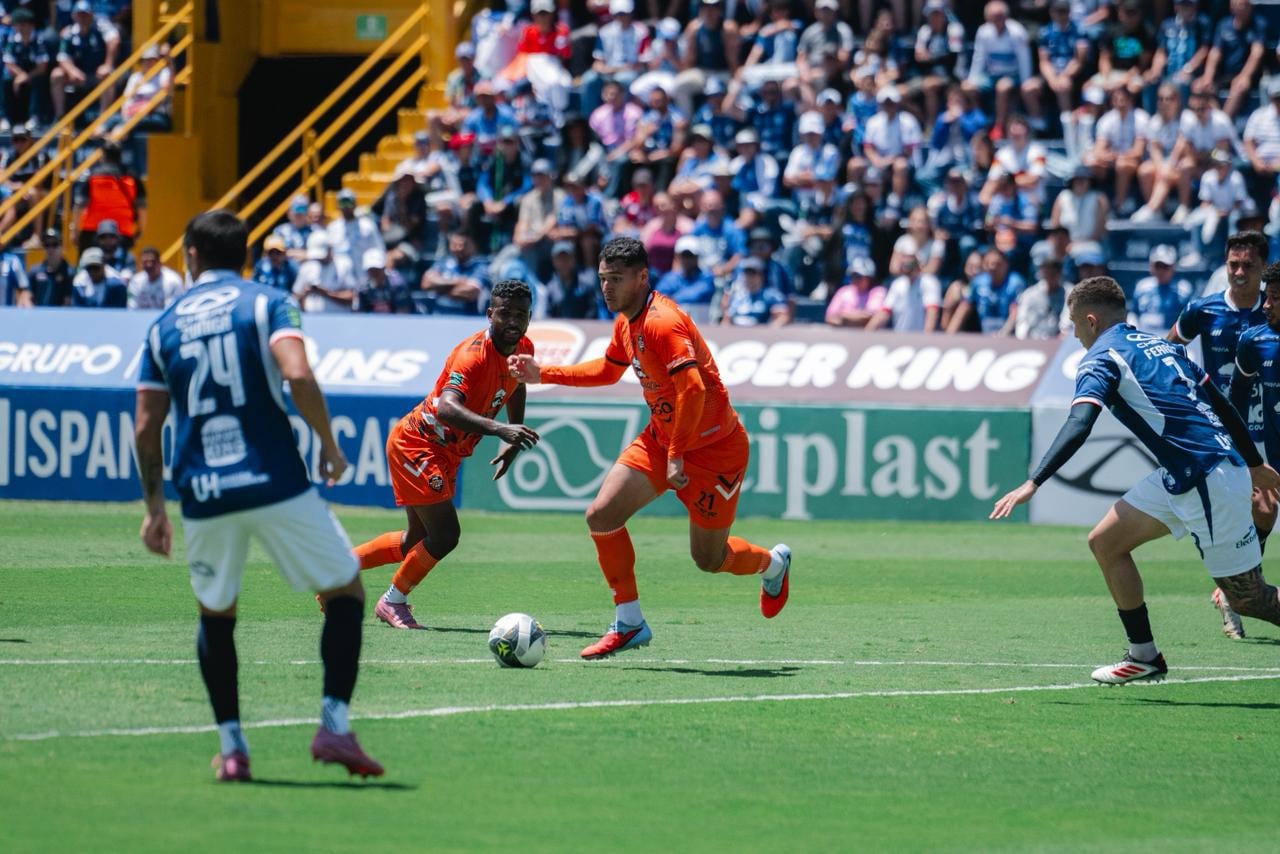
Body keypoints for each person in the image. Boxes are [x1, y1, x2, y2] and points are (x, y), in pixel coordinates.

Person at [133, 209, 383, 781]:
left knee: (216, 615)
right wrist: (328, 443)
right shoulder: (268, 302)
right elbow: (296, 373)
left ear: (191, 256)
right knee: (344, 588)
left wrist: (154, 508)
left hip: (203, 488)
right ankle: (334, 726)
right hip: (272, 477)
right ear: (244, 255)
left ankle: (232, 748)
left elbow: (147, 426)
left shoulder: (162, 324)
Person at [508, 237, 791, 659]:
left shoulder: (662, 322)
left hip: (714, 451)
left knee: (709, 559)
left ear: (643, 277)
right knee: (601, 516)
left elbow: (693, 389)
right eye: (604, 279)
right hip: (662, 440)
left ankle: (773, 565)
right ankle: (629, 622)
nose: (607, 288)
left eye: (617, 280)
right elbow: (607, 370)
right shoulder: (626, 321)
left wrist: (678, 453)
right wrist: (542, 372)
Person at [991, 276, 1280, 684]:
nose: (1074, 335)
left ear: (1091, 320)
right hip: (1187, 472)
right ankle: (1143, 655)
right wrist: (1253, 463)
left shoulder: (1100, 358)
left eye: (1074, 325)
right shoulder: (1161, 345)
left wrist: (1033, 481)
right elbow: (1220, 402)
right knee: (1105, 542)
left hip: (1206, 477)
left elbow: (1079, 422)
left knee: (1249, 598)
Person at [352, 279, 539, 629]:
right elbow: (447, 409)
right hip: (420, 443)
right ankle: (393, 601)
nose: (513, 321)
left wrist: (513, 435)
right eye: (505, 313)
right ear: (489, 314)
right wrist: (500, 429)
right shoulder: (473, 356)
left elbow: (517, 383)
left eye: (521, 314)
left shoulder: (523, 346)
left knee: (416, 541)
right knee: (445, 535)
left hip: (444, 450)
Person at [867, 252, 942, 333]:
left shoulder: (929, 282)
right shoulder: (897, 284)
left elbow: (932, 313)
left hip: (921, 338)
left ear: (917, 264)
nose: (907, 265)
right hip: (900, 338)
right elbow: (884, 313)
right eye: (904, 263)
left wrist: (926, 338)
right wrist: (867, 333)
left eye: (910, 263)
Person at [1129, 244, 1194, 335]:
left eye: (1165, 266)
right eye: (1158, 266)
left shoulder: (1183, 290)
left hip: (1170, 338)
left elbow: (1190, 319)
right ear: (1151, 266)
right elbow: (1133, 313)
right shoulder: (1142, 287)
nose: (1161, 271)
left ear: (1173, 267)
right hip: (1143, 338)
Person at [18, 229, 72, 307]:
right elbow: (27, 296)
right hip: (37, 316)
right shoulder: (34, 271)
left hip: (60, 317)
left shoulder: (69, 272)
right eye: (47, 245)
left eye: (55, 244)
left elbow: (68, 302)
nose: (50, 249)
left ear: (62, 247)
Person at [352, 248, 414, 314]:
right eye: (371, 269)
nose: (374, 272)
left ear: (384, 267)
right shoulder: (362, 287)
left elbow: (403, 313)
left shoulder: (397, 284)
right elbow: (358, 313)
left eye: (377, 269)